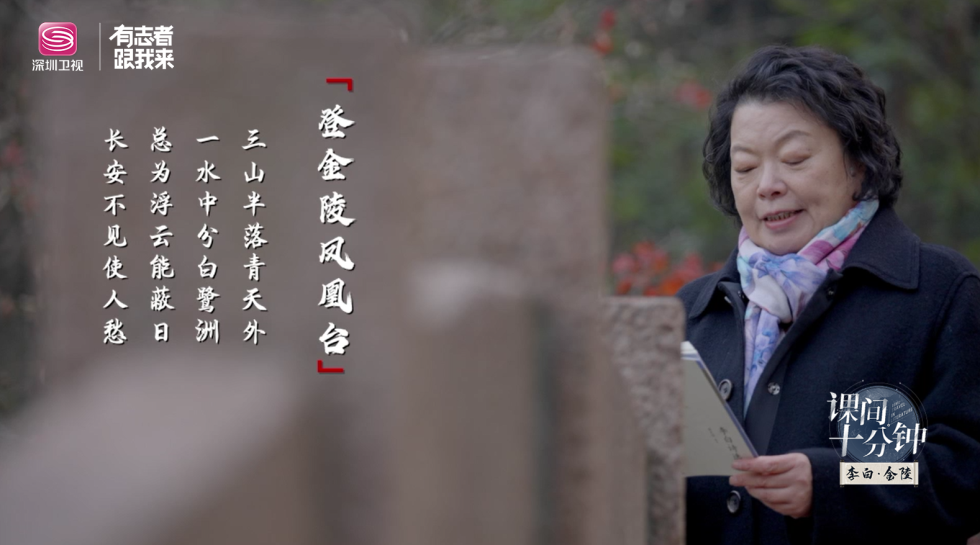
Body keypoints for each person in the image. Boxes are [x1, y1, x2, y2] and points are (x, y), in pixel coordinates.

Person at [675, 44, 980, 544]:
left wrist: (835, 484)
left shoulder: (940, 293)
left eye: (794, 159)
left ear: (858, 162)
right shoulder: (691, 313)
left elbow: (965, 471)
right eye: (745, 167)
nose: (767, 186)